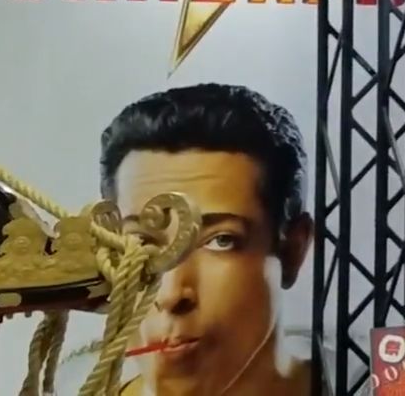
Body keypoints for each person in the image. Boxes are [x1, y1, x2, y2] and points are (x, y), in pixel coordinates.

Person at [98, 83, 314, 395]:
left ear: (293, 249)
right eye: (140, 244)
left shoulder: (375, 379)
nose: (170, 294)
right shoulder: (67, 383)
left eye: (221, 240)